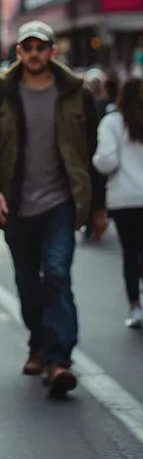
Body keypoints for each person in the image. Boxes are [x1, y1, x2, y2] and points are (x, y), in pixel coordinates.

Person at [0, 21, 107, 397]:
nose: (33, 53)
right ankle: (39, 342)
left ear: (52, 51)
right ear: (18, 53)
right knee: (28, 284)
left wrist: (98, 208)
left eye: (40, 47)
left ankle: (59, 359)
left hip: (60, 203)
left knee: (58, 274)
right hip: (15, 207)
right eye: (26, 47)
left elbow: (92, 155)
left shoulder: (76, 94)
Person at [93, 77, 143, 329]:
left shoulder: (112, 123)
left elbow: (106, 162)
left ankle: (135, 306)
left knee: (130, 253)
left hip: (124, 199)